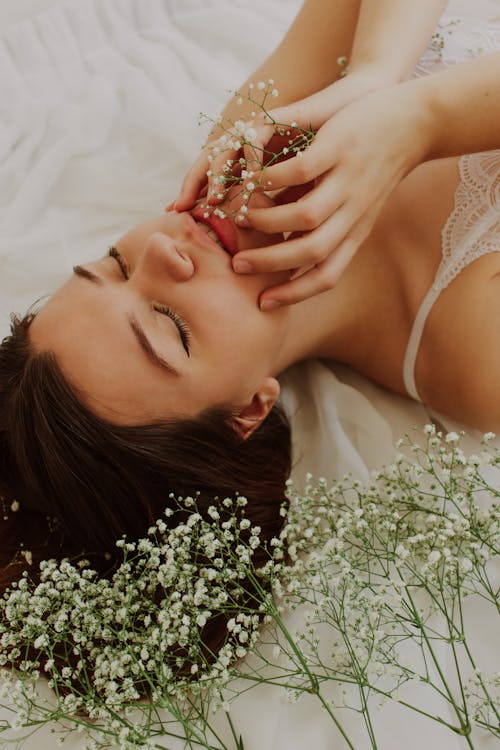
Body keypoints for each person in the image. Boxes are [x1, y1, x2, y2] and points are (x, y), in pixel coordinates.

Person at [0, 0, 499, 663]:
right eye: (170, 327)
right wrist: (419, 120)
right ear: (248, 411)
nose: (160, 254)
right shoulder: (473, 354)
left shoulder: (249, 146)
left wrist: (378, 75)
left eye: (113, 265)